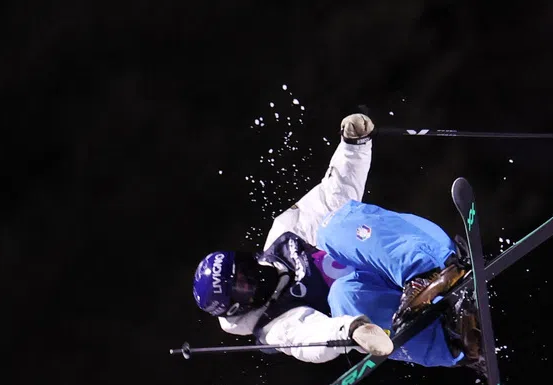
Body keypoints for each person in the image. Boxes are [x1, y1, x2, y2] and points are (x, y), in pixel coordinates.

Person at [191, 113, 483, 372]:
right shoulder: (272, 323)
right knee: (344, 296)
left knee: (331, 226)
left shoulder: (285, 235)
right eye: (243, 289)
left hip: (414, 261)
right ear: (238, 309)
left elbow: (334, 194)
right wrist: (352, 329)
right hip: (396, 306)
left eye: (244, 270)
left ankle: (429, 271)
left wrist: (353, 147)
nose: (252, 280)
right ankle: (454, 339)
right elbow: (308, 337)